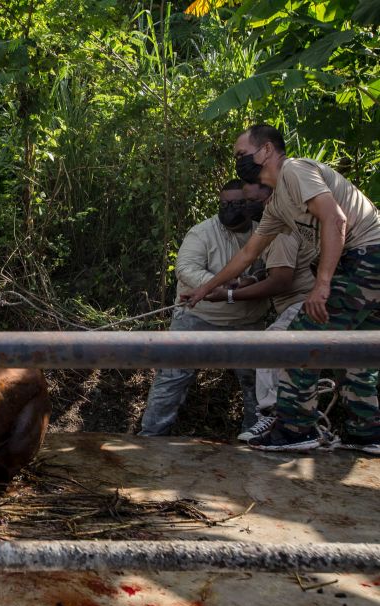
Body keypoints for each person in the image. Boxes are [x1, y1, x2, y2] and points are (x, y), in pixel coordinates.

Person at [185, 124, 380, 453]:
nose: (238, 161)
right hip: (366, 263)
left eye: (241, 154)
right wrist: (206, 288)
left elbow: (336, 220)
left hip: (366, 259)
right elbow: (248, 254)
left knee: (296, 340)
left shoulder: (295, 170)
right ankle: (368, 431)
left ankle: (295, 429)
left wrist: (322, 284)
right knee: (357, 349)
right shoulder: (277, 206)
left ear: (265, 152)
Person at [138, 180, 269, 437]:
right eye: (224, 204)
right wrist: (224, 285)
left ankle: (256, 438)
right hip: (198, 317)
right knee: (171, 379)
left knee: (257, 384)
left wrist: (248, 283)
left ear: (251, 203)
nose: (230, 209)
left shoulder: (264, 233)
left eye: (238, 204)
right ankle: (150, 437)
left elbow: (270, 271)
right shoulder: (202, 232)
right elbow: (186, 269)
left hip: (247, 321)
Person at [197, 182, 322, 442]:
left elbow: (281, 280)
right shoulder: (274, 226)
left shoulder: (281, 229)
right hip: (302, 304)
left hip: (306, 303)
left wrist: (229, 294)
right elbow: (263, 267)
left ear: (269, 198)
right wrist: (245, 281)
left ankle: (274, 418)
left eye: (249, 201)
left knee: (269, 346)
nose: (245, 207)